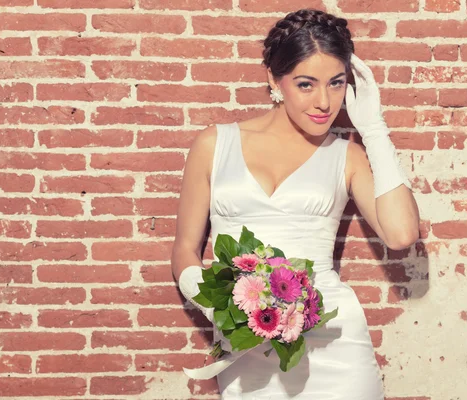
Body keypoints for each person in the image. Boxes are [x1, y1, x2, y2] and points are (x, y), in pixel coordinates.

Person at [171, 8, 420, 399]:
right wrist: (224, 312)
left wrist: (373, 127)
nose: (324, 101)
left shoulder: (347, 155)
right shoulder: (213, 145)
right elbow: (185, 248)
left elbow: (402, 234)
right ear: (274, 78)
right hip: (247, 345)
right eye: (306, 84)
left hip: (335, 343)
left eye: (336, 83)